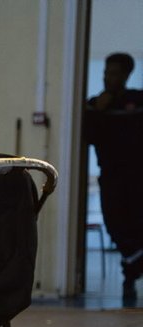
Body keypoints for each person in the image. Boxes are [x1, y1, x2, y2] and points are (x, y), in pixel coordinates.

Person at [85, 52, 143, 303]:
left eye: (115, 73)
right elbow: (86, 136)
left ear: (127, 75)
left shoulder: (138, 101)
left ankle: (129, 277)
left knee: (138, 225)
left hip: (139, 175)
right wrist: (98, 111)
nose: (109, 77)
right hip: (111, 175)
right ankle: (135, 263)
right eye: (106, 72)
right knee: (115, 225)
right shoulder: (95, 104)